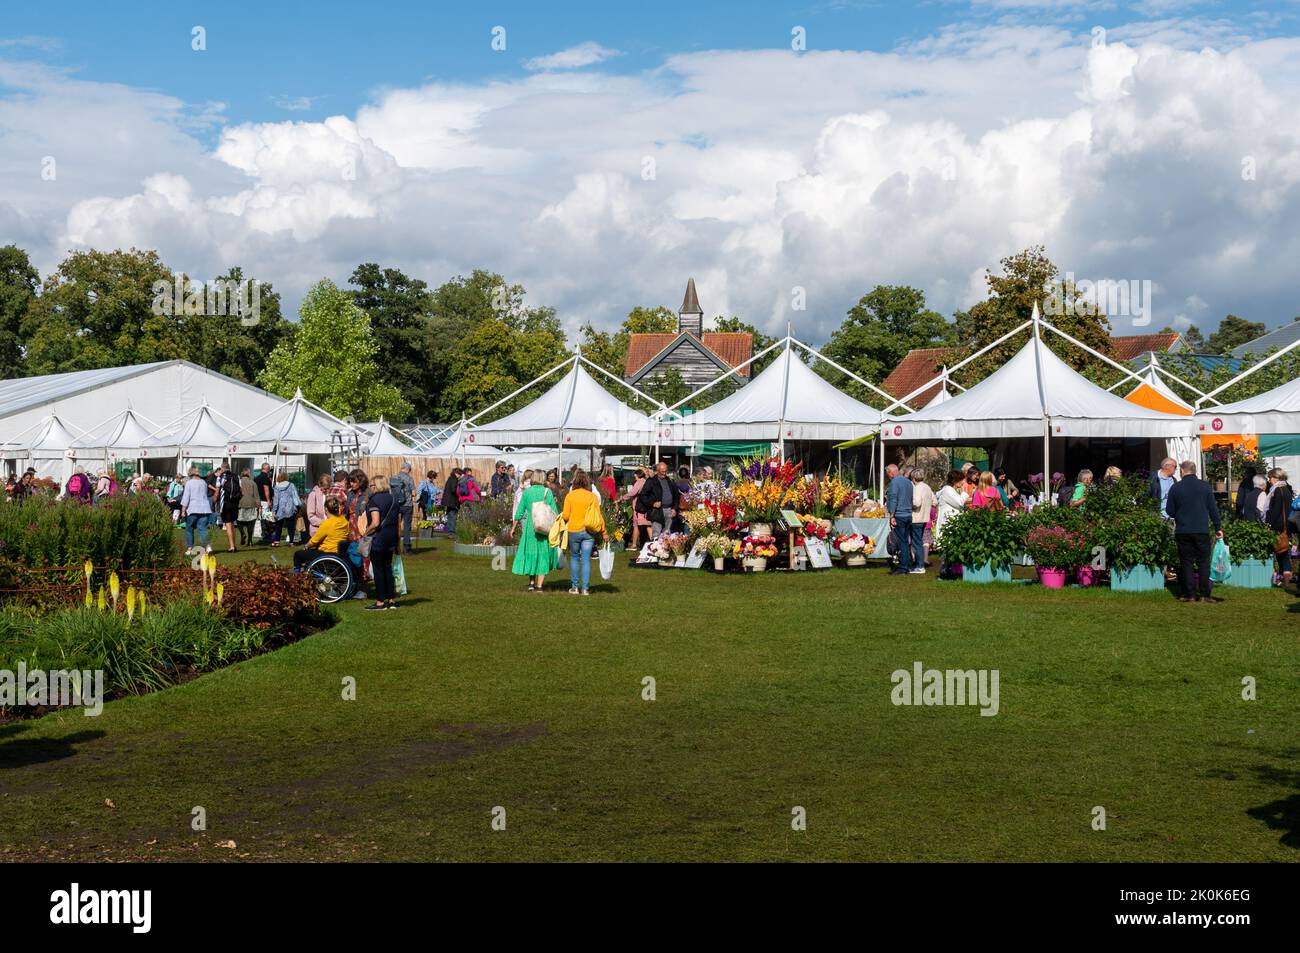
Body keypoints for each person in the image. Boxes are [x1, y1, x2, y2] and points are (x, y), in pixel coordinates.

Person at [1165, 460, 1223, 603]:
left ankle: (1189, 594)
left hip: (1183, 530)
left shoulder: (1176, 488)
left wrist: (1180, 513)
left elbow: (1169, 511)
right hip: (1201, 530)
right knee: (1204, 562)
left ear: (1183, 471)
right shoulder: (1205, 487)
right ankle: (1204, 594)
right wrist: (1218, 527)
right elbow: (1213, 509)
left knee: (1186, 562)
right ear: (1195, 471)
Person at [513, 469, 559, 591]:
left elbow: (519, 511)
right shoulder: (547, 491)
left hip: (530, 526)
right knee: (543, 554)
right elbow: (554, 510)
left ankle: (531, 583)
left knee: (531, 553)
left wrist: (513, 527)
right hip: (543, 526)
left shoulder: (527, 492)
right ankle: (539, 586)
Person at [363, 473, 402, 611]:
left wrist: (365, 533)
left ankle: (380, 602)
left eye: (371, 486)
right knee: (387, 568)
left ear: (376, 486)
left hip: (378, 538)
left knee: (378, 570)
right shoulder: (394, 499)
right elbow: (398, 523)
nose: (370, 488)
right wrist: (397, 542)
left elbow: (375, 522)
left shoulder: (374, 501)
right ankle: (391, 600)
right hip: (391, 538)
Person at [561, 470, 598, 595]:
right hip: (588, 531)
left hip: (574, 530)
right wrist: (604, 532)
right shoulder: (592, 496)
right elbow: (597, 516)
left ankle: (575, 587)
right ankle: (585, 589)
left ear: (574, 481)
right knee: (586, 559)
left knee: (575, 558)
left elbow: (565, 516)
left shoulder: (570, 496)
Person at [294, 496, 350, 570]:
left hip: (327, 553)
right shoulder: (344, 521)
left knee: (298, 554)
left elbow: (315, 540)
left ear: (326, 509)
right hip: (340, 553)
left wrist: (306, 546)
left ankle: (297, 575)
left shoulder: (328, 523)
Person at [1264, 467, 1293, 588]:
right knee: (1283, 551)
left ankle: (1278, 578)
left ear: (1276, 478)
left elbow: (1275, 511)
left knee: (1278, 552)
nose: (1269, 480)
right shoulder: (1287, 489)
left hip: (1278, 526)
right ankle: (1285, 578)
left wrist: (1269, 523)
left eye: (1270, 478)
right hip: (1286, 525)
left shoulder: (1276, 490)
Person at [637, 461, 681, 539]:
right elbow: (642, 495)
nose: (664, 473)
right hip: (657, 511)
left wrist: (674, 508)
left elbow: (676, 495)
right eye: (662, 472)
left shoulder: (670, 481)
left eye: (665, 471)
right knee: (656, 533)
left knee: (667, 533)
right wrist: (652, 503)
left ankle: (665, 550)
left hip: (669, 510)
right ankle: (655, 549)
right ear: (657, 471)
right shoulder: (651, 481)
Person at [934, 470, 967, 572]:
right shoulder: (948, 490)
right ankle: (945, 571)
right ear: (955, 481)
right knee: (948, 548)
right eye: (961, 480)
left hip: (951, 522)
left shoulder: (950, 490)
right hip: (948, 523)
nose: (963, 483)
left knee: (950, 547)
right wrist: (964, 493)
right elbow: (960, 503)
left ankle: (950, 570)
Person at [885, 463, 914, 575]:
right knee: (905, 541)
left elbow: (893, 499)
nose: (888, 476)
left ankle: (903, 567)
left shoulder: (894, 482)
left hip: (900, 515)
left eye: (888, 473)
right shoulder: (908, 482)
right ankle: (906, 565)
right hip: (908, 515)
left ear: (891, 472)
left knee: (902, 542)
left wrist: (892, 515)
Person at [179, 467, 213, 552]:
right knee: (203, 529)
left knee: (189, 529)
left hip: (192, 509)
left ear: (190, 474)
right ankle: (207, 547)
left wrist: (183, 510)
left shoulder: (189, 483)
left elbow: (186, 497)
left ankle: (190, 548)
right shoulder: (204, 483)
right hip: (204, 508)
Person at [909, 467, 936, 573]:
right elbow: (934, 501)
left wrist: (908, 504)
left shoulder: (917, 488)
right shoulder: (927, 487)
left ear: (914, 478)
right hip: (925, 518)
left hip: (916, 518)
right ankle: (920, 564)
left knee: (917, 542)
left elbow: (916, 503)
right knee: (920, 541)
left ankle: (920, 566)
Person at [391, 461, 417, 553]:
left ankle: (394, 547)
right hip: (407, 505)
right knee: (407, 527)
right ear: (408, 469)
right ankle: (407, 547)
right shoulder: (410, 479)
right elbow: (414, 493)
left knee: (395, 526)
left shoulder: (394, 478)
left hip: (396, 505)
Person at [271, 471, 301, 547]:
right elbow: (295, 496)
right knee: (290, 525)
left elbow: (276, 500)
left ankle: (277, 541)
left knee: (278, 525)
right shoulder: (291, 485)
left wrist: (274, 510)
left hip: (280, 508)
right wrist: (298, 505)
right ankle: (291, 542)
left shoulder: (277, 487)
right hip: (290, 507)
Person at [622, 467, 649, 550]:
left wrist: (622, 497)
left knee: (636, 525)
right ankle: (649, 543)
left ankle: (634, 544)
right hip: (645, 506)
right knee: (647, 525)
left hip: (638, 507)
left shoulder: (639, 482)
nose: (634, 478)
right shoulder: (646, 482)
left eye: (635, 476)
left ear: (637, 475)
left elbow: (632, 492)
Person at [216, 465, 242, 552]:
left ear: (222, 468)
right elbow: (241, 491)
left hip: (225, 503)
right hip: (235, 503)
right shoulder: (237, 476)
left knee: (228, 524)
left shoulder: (221, 477)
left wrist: (215, 500)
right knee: (232, 524)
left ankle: (231, 546)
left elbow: (217, 491)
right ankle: (233, 545)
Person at [237, 468, 259, 546]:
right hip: (251, 504)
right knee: (251, 523)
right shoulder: (253, 483)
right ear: (249, 474)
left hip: (240, 504)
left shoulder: (238, 482)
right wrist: (259, 506)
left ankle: (242, 533)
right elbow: (256, 496)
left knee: (239, 520)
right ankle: (250, 541)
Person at [306, 474, 332, 538]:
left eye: (328, 488)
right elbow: (311, 516)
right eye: (325, 488)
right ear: (320, 485)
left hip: (330, 530)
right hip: (317, 531)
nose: (327, 490)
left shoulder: (330, 494)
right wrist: (324, 522)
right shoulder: (313, 495)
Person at [441, 468, 461, 535]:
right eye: (459, 474)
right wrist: (459, 492)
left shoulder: (450, 478)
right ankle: (451, 532)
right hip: (452, 501)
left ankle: (450, 532)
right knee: (452, 516)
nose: (460, 475)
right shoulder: (454, 479)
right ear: (456, 473)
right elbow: (453, 490)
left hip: (448, 501)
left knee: (450, 516)